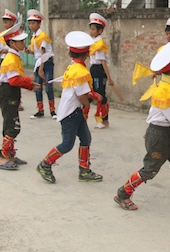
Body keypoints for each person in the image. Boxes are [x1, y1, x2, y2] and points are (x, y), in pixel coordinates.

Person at [114, 41, 170, 210]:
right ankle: (122, 194)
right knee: (150, 170)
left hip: (166, 133)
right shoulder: (166, 89)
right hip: (159, 136)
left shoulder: (167, 85)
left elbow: (169, 112)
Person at [36, 31, 104, 184]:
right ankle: (45, 164)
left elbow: (84, 89)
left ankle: (84, 170)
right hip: (70, 113)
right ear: (87, 54)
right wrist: (88, 103)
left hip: (74, 112)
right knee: (67, 144)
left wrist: (93, 95)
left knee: (86, 138)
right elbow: (81, 95)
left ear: (70, 53)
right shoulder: (80, 71)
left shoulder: (73, 67)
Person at [0, 23, 35, 170]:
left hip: (10, 92)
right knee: (12, 126)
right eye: (20, 41)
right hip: (7, 92)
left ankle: (10, 154)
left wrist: (30, 85)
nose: (23, 44)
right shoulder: (11, 59)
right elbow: (13, 80)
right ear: (12, 43)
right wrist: (29, 81)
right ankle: (4, 157)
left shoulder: (14, 56)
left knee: (11, 124)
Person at [27, 9, 56, 119]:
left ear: (39, 23)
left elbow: (43, 52)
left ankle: (53, 111)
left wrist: (41, 69)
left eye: (33, 23)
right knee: (37, 86)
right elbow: (36, 52)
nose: (31, 25)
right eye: (30, 23)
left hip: (46, 62)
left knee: (48, 86)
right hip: (39, 62)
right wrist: (28, 51)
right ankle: (40, 110)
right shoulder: (34, 37)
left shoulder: (42, 36)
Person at [88, 13, 114, 129]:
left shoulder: (99, 44)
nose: (91, 31)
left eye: (93, 29)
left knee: (100, 95)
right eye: (90, 28)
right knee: (94, 93)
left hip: (99, 70)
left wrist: (109, 78)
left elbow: (103, 62)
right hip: (94, 69)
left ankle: (104, 120)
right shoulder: (94, 42)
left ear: (100, 31)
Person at [0, 9, 18, 110]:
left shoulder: (17, 35)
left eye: (7, 21)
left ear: (12, 22)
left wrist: (9, 50)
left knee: (15, 81)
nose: (5, 24)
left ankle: (17, 102)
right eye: (4, 22)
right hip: (3, 61)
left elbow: (20, 48)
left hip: (14, 61)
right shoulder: (2, 35)